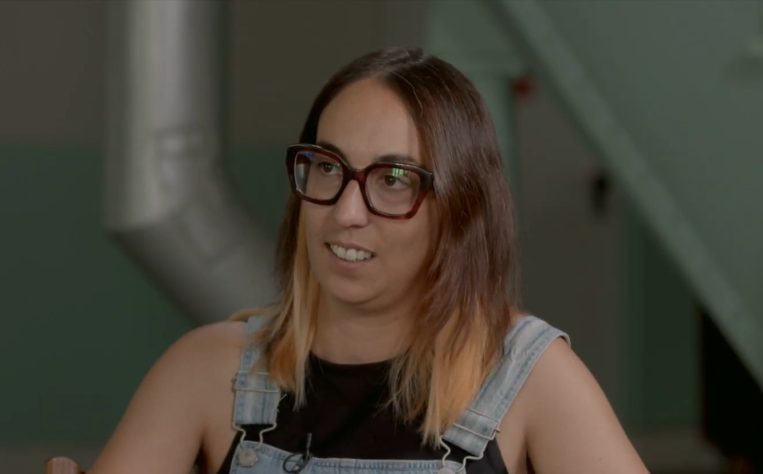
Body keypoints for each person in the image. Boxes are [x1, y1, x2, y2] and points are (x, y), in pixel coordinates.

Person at [89, 48, 648, 474]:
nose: (346, 212)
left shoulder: (532, 379)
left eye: (394, 179)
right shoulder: (206, 372)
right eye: (328, 167)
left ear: (460, 208)